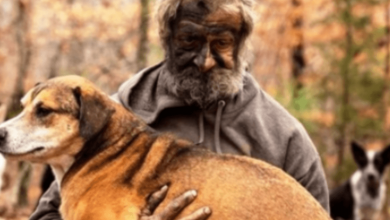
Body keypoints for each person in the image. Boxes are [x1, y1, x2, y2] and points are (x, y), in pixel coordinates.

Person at [30, 0, 329, 219]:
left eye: (222, 43)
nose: (205, 60)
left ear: (241, 45)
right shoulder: (113, 118)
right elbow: (48, 215)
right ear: (166, 38)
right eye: (190, 40)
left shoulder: (284, 138)